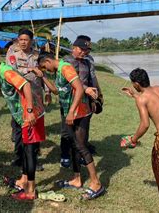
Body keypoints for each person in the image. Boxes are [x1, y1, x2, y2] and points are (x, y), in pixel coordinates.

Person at [36, 52, 104, 200]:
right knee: (74, 145)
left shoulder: (65, 68)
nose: (46, 70)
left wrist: (71, 112)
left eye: (44, 67)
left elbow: (79, 88)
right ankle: (77, 179)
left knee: (81, 146)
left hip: (80, 113)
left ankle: (96, 183)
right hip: (70, 113)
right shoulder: (59, 71)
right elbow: (56, 91)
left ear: (47, 61)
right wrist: (43, 77)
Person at [0, 56, 45, 201]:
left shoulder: (7, 72)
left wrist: (29, 110)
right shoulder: (1, 74)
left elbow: (26, 85)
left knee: (30, 152)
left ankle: (30, 191)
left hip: (30, 116)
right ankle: (23, 180)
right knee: (26, 150)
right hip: (23, 118)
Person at [121, 68, 159, 213]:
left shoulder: (142, 99)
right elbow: (153, 102)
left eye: (133, 84)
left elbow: (145, 124)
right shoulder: (158, 89)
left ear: (136, 84)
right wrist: (135, 95)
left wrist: (133, 139)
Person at [6, 28, 50, 169]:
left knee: (34, 127)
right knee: (19, 126)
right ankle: (19, 156)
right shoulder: (12, 52)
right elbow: (10, 71)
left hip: (36, 95)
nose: (23, 42)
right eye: (21, 39)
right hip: (20, 95)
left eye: (26, 40)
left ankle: (34, 158)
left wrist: (47, 91)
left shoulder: (37, 55)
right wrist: (28, 70)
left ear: (31, 41)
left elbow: (43, 74)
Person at [61, 36, 101, 167]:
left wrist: (99, 95)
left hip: (84, 102)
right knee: (67, 130)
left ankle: (82, 155)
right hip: (68, 101)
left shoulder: (88, 61)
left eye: (87, 50)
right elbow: (68, 81)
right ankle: (65, 155)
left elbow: (93, 78)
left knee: (83, 130)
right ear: (74, 47)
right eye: (81, 49)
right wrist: (85, 89)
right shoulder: (66, 61)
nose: (84, 52)